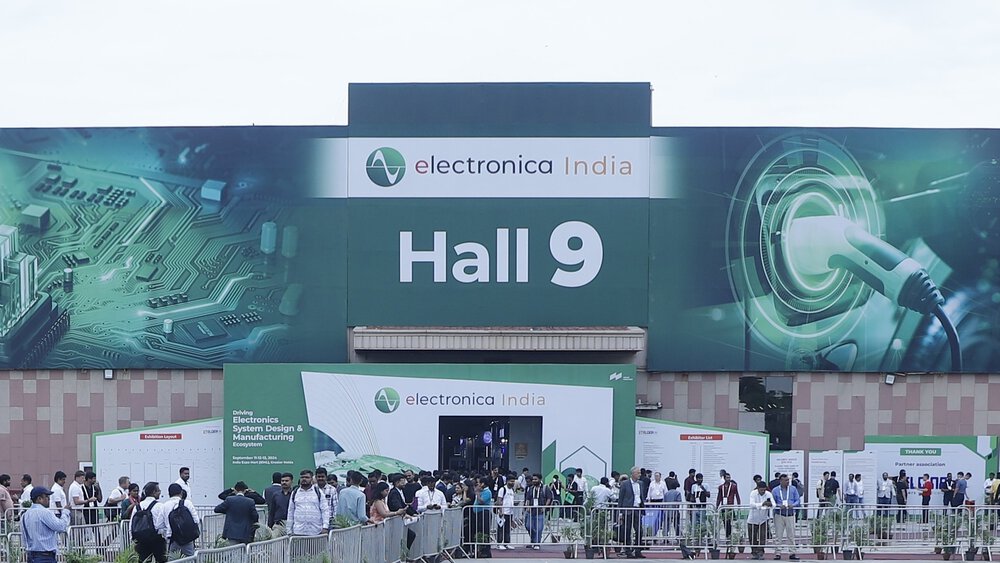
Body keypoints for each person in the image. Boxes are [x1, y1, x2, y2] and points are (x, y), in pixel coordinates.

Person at [20, 486, 70, 563]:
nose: (49, 499)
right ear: (39, 499)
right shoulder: (44, 512)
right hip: (45, 556)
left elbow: (24, 537)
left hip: (31, 555)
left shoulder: (25, 515)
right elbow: (61, 527)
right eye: (46, 496)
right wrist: (65, 512)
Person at [287, 469, 331, 536]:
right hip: (298, 532)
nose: (304, 479)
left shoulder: (318, 492)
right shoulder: (295, 493)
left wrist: (325, 527)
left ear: (311, 479)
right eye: (302, 477)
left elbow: (325, 510)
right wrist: (289, 530)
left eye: (307, 477)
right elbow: (290, 512)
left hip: (315, 532)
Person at [132, 482, 167, 563]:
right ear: (154, 492)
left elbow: (132, 523)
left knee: (143, 560)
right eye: (159, 490)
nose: (160, 492)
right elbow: (163, 523)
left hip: (141, 539)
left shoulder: (138, 506)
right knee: (161, 560)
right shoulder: (160, 506)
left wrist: (133, 538)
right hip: (157, 539)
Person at [617, 466, 648, 559]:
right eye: (638, 473)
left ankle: (638, 550)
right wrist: (620, 512)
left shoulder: (641, 483)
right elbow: (621, 499)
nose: (639, 474)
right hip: (628, 510)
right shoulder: (625, 484)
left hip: (638, 509)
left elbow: (641, 496)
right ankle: (628, 551)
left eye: (639, 473)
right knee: (627, 530)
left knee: (639, 530)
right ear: (633, 474)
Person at [161, 483, 199, 556]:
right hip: (187, 538)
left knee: (173, 559)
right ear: (181, 492)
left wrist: (166, 532)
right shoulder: (187, 503)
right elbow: (196, 520)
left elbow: (159, 525)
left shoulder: (164, 506)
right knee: (189, 559)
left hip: (172, 538)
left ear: (169, 494)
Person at [771, 474, 801, 560]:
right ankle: (778, 553)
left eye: (788, 480)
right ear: (781, 481)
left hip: (790, 514)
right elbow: (772, 502)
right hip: (779, 514)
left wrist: (793, 505)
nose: (788, 481)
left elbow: (798, 500)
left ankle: (792, 553)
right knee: (778, 535)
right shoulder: (775, 490)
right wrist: (778, 505)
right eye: (786, 480)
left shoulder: (793, 489)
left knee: (791, 535)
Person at [524, 473, 553, 550]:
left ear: (540, 480)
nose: (534, 481)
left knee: (539, 528)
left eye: (535, 479)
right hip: (531, 511)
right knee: (528, 526)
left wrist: (545, 507)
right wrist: (527, 506)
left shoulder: (545, 488)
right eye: (533, 479)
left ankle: (537, 543)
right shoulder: (531, 488)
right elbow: (528, 498)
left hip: (540, 511)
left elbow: (549, 498)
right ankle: (533, 540)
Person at [748, 481, 774, 560]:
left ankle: (761, 552)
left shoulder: (768, 494)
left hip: (763, 519)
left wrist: (770, 504)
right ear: (758, 488)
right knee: (752, 537)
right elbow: (752, 504)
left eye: (764, 490)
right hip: (753, 519)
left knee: (763, 537)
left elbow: (774, 504)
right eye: (761, 490)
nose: (763, 491)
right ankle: (754, 552)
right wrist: (762, 504)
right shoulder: (753, 493)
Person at [470, 477, 493, 554]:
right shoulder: (481, 491)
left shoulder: (487, 492)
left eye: (479, 483)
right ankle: (479, 550)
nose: (478, 484)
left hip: (484, 513)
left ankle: (485, 551)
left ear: (483, 484)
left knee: (484, 531)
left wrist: (477, 493)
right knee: (479, 531)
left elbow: (481, 501)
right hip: (478, 514)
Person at [716, 472, 741, 541]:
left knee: (729, 522)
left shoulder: (733, 486)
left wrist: (739, 504)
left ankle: (729, 536)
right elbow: (719, 497)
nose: (729, 479)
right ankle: (727, 536)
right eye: (727, 478)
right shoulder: (721, 487)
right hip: (723, 506)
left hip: (730, 506)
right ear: (724, 478)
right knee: (725, 522)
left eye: (729, 477)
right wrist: (717, 506)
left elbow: (737, 495)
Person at [495, 475, 516, 550]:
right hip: (503, 512)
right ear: (507, 481)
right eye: (511, 481)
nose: (512, 483)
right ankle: (499, 543)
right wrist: (500, 510)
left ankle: (506, 543)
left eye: (513, 481)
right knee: (501, 528)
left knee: (507, 529)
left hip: (510, 512)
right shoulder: (502, 489)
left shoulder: (512, 490)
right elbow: (499, 500)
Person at [647, 472, 668, 537]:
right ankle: (652, 531)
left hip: (660, 501)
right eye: (655, 476)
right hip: (653, 501)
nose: (656, 477)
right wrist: (648, 499)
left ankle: (659, 526)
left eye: (657, 476)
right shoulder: (652, 483)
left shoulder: (663, 483)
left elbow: (665, 492)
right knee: (653, 517)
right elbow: (649, 492)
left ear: (660, 477)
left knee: (660, 516)